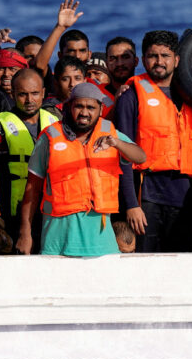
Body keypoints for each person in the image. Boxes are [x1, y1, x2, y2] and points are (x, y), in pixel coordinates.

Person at [16, 82, 147, 257]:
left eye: (91, 107)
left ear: (100, 110)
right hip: (58, 241)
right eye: (79, 106)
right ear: (70, 106)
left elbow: (140, 157)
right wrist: (25, 232)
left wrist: (116, 143)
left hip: (101, 244)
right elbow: (32, 189)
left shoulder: (111, 134)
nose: (85, 113)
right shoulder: (50, 137)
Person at [113, 31, 192, 253]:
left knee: (181, 258)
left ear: (177, 60)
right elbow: (123, 156)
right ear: (143, 59)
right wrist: (131, 204)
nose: (159, 61)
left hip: (184, 193)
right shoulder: (131, 96)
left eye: (165, 56)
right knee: (145, 260)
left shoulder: (190, 93)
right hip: (147, 194)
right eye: (153, 56)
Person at [0, 68, 60, 251]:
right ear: (12, 94)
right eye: (22, 94)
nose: (29, 100)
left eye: (35, 93)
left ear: (44, 92)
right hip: (10, 214)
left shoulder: (56, 123)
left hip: (50, 213)